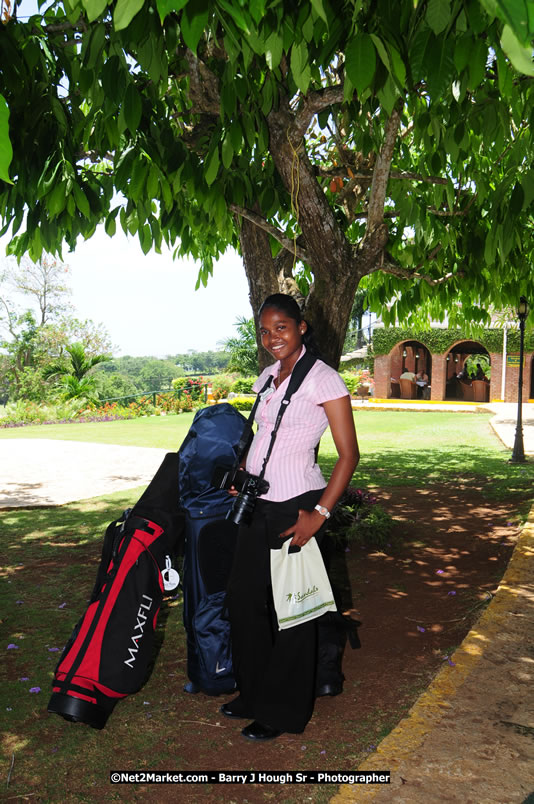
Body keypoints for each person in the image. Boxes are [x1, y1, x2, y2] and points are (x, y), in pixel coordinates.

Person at [222, 293, 359, 741]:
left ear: (301, 327)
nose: (272, 338)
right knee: (244, 601)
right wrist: (243, 474)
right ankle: (254, 691)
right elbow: (266, 436)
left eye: (281, 327)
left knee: (292, 610)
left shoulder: (324, 380)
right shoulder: (267, 376)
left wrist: (318, 514)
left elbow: (348, 455)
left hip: (297, 503)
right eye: (264, 331)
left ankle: (283, 710)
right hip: (256, 502)